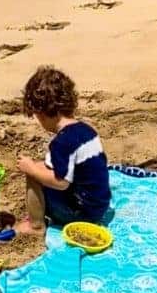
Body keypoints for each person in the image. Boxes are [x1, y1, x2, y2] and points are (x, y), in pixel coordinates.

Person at [14, 65, 111, 234]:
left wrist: (32, 170)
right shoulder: (87, 131)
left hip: (81, 214)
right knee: (41, 166)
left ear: (42, 114)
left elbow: (61, 183)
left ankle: (35, 226)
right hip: (99, 205)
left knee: (33, 173)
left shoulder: (61, 143)